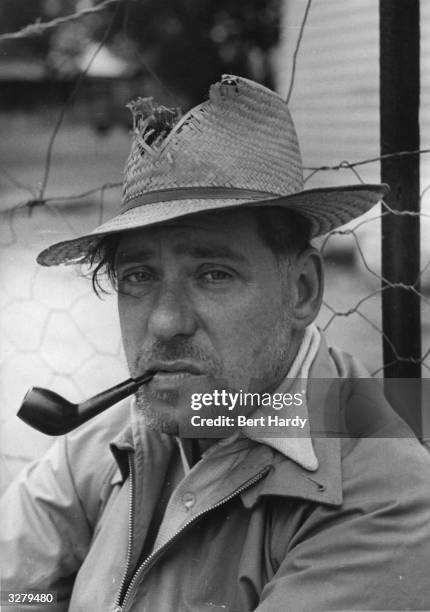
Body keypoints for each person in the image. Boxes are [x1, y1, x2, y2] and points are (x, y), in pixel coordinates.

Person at [1, 75, 430, 612]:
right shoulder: (112, 443)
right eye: (138, 276)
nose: (164, 322)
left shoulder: (381, 499)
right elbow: (15, 586)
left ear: (302, 290)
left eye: (213, 274)